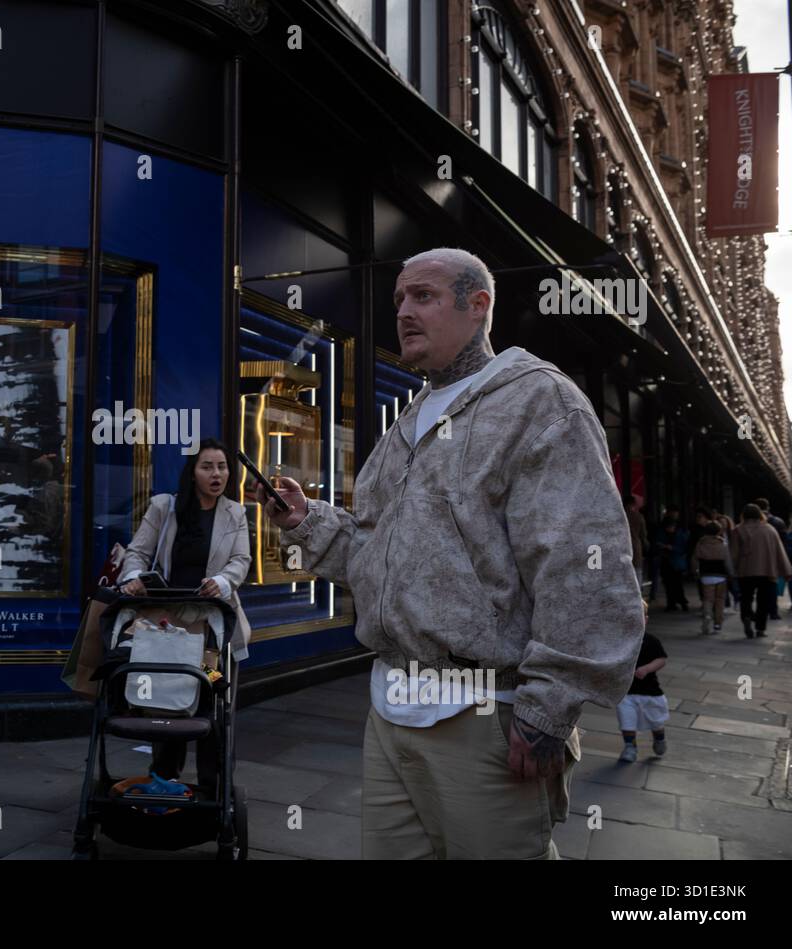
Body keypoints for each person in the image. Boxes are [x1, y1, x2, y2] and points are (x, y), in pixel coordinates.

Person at [256, 247, 642, 859]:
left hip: (486, 716)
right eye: (400, 300)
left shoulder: (539, 401)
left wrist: (550, 706)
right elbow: (379, 552)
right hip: (390, 712)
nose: (404, 311)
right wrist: (308, 522)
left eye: (424, 296)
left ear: (479, 305)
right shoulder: (407, 419)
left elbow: (583, 564)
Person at [118, 438, 252, 789]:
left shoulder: (235, 513)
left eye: (222, 467)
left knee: (213, 701)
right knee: (167, 700)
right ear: (192, 473)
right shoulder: (165, 507)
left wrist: (222, 582)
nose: (216, 474)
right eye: (207, 466)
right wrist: (134, 579)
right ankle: (163, 780)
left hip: (211, 631)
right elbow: (137, 553)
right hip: (168, 626)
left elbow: (241, 561)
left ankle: (214, 788)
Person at [617, 600, 669, 763]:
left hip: (650, 691)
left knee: (656, 720)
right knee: (627, 721)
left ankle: (659, 737)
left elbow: (661, 659)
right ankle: (630, 747)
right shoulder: (620, 641)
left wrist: (646, 669)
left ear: (645, 620)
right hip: (627, 692)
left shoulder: (651, 641)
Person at [732, 503, 791, 639]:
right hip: (766, 570)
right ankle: (760, 628)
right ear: (760, 514)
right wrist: (786, 570)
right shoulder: (769, 529)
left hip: (745, 571)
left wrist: (731, 570)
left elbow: (734, 553)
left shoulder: (738, 530)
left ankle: (746, 616)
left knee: (746, 597)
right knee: (763, 601)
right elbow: (779, 551)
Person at [690, 521, 733, 635]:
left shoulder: (701, 543)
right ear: (719, 531)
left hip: (706, 575)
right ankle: (717, 624)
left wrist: (695, 572)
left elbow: (694, 559)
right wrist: (731, 574)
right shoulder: (722, 544)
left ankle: (707, 615)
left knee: (708, 599)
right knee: (720, 600)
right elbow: (727, 561)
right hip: (721, 575)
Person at [655, 514, 690, 612]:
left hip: (675, 562)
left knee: (677, 584)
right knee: (669, 584)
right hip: (667, 562)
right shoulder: (663, 533)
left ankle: (681, 602)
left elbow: (683, 548)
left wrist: (672, 548)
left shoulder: (680, 534)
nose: (670, 528)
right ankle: (672, 603)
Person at [624, 495, 648, 589]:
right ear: (633, 504)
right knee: (637, 570)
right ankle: (638, 592)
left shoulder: (620, 516)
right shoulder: (639, 517)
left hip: (623, 545)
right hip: (636, 545)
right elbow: (643, 534)